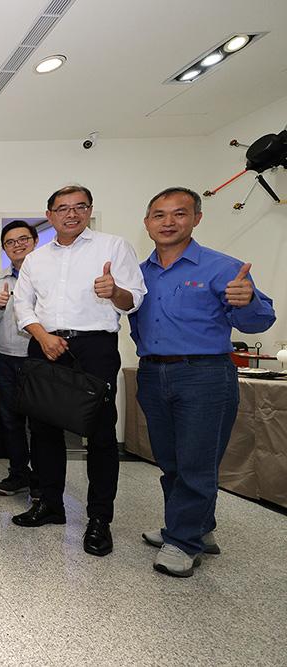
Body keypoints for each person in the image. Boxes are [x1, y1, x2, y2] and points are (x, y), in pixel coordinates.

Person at [131, 187, 274, 576]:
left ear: (196, 218)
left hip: (204, 374)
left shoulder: (223, 268)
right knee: (170, 461)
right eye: (159, 215)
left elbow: (260, 321)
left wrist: (249, 301)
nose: (168, 222)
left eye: (179, 213)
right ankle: (196, 527)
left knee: (197, 462)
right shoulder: (138, 274)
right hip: (152, 372)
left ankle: (183, 541)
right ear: (147, 223)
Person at [11, 184, 146, 557]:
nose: (71, 214)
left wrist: (114, 291)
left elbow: (134, 300)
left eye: (79, 207)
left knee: (100, 435)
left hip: (94, 347)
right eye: (62, 208)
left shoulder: (113, 247)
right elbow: (23, 305)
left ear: (89, 210)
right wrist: (42, 337)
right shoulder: (36, 259)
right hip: (45, 344)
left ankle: (99, 519)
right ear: (50, 215)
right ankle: (50, 503)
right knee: (43, 429)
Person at [0, 220, 39, 497]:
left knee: (40, 422)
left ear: (35, 241)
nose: (17, 245)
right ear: (4, 248)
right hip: (4, 358)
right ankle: (18, 473)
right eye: (10, 242)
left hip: (37, 359)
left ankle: (42, 478)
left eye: (23, 239)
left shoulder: (45, 275)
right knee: (10, 419)